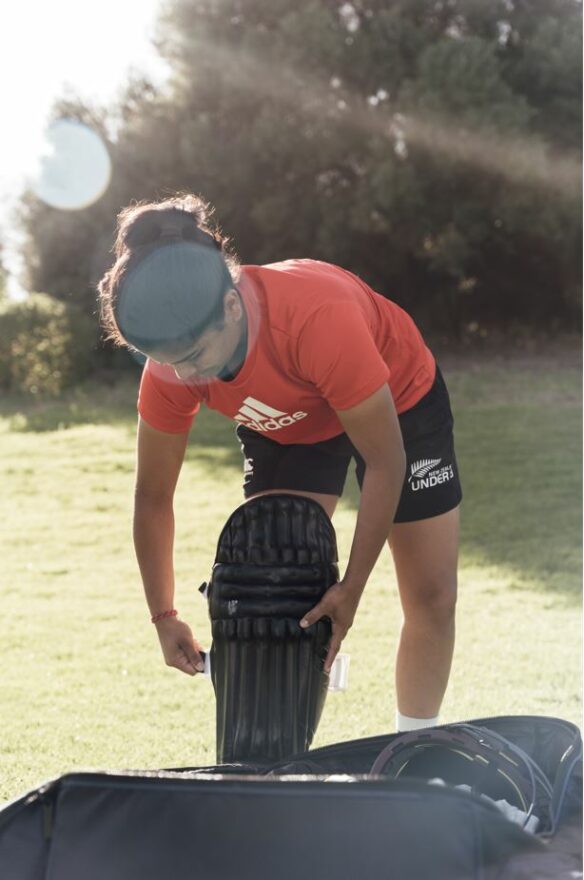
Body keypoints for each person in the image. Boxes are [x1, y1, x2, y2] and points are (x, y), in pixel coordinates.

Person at [97, 193, 462, 733]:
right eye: (170, 362)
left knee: (430, 594)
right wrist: (163, 614)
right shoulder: (171, 368)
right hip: (291, 421)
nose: (187, 376)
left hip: (398, 400)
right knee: (270, 584)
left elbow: (386, 461)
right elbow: (153, 497)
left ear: (230, 305)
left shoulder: (316, 316)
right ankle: (273, 768)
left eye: (196, 356)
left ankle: (414, 749)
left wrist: (351, 590)